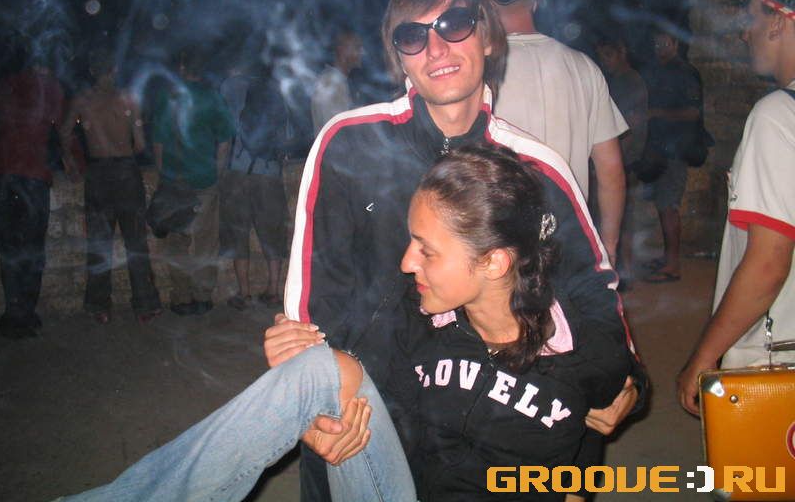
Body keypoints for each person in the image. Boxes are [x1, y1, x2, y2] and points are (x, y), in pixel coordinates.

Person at [60, 145, 634, 502]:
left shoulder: (582, 348)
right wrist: (321, 422)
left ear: (494, 262)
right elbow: (363, 392)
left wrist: (629, 391)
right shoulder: (422, 320)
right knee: (321, 369)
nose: (406, 262)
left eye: (427, 250)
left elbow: (583, 465)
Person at [284, 0, 643, 500]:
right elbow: (311, 302)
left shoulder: (535, 168)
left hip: (481, 423)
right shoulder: (348, 144)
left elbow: (590, 287)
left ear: (488, 37)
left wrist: (625, 377)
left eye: (454, 25)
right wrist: (313, 402)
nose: (435, 48)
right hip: (362, 411)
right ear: (398, 57)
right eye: (412, 36)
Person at [677, 0, 795, 415]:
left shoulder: (778, 115)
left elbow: (768, 263)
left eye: (751, 19)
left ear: (778, 21)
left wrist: (705, 356)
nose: (745, 34)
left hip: (777, 359)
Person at [491, 0, 628, 266]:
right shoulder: (584, 66)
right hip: (570, 241)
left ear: (484, 2)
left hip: (501, 249)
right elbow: (611, 171)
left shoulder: (478, 69)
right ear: (535, 2)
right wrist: (609, 246)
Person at [59, 51, 162, 324]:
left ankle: (98, 306)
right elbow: (140, 144)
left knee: (99, 243)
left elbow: (64, 132)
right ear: (114, 70)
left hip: (97, 173)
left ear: (93, 71)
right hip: (126, 172)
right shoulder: (128, 98)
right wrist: (123, 148)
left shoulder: (83, 100)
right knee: (136, 241)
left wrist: (70, 161)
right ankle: (145, 305)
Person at [152, 48, 234, 315]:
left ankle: (181, 297)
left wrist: (164, 174)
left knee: (176, 243)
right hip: (204, 180)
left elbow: (158, 142)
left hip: (174, 180)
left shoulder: (168, 97)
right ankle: (202, 297)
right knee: (205, 242)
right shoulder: (212, 98)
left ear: (182, 68)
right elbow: (225, 141)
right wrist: (217, 172)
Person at [0, 45, 65, 339]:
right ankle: (24, 313)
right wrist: (76, 162)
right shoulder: (51, 87)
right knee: (33, 249)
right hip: (33, 176)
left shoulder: (6, 85)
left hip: (3, 175)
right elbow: (61, 128)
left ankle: (14, 313)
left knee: (10, 249)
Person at [219, 60, 289, 310]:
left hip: (237, 172)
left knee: (238, 233)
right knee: (273, 232)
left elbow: (223, 129)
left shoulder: (229, 87)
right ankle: (273, 290)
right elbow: (286, 136)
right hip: (268, 172)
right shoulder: (275, 91)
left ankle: (244, 292)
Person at [642, 29, 703, 283]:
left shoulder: (685, 72)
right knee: (663, 204)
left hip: (676, 150)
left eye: (663, 42)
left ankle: (673, 265)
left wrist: (656, 113)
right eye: (656, 42)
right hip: (661, 150)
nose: (659, 47)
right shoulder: (660, 71)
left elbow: (693, 113)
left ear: (675, 43)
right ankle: (668, 258)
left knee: (669, 207)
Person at [596, 36, 649, 288]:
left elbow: (630, 126)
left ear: (622, 52)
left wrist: (615, 158)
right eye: (602, 57)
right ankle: (622, 270)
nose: (605, 61)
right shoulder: (615, 81)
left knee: (624, 218)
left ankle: (625, 272)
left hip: (627, 159)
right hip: (621, 158)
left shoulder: (631, 82)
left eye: (608, 55)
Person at [310, 29, 363, 135]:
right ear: (343, 50)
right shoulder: (330, 83)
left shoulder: (339, 82)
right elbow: (335, 129)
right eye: (356, 47)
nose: (362, 52)